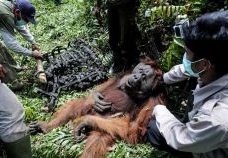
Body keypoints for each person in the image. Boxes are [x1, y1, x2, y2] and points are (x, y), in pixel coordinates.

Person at [147, 10, 228, 158]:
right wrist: (163, 78)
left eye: (187, 52)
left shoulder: (218, 118)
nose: (185, 57)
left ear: (204, 64)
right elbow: (186, 69)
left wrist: (159, 109)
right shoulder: (218, 63)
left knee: (154, 129)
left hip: (212, 148)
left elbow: (183, 139)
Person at [0, 0, 42, 83]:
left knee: (0, 46)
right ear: (17, 12)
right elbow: (12, 44)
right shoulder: (6, 15)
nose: (27, 22)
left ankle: (16, 68)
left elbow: (21, 28)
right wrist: (31, 53)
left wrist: (33, 42)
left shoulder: (11, 7)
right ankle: (13, 82)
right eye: (26, 19)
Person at [94, 0, 140, 73]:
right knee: (113, 36)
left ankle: (130, 60)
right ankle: (118, 61)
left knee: (126, 35)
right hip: (112, 4)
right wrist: (98, 6)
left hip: (126, 4)